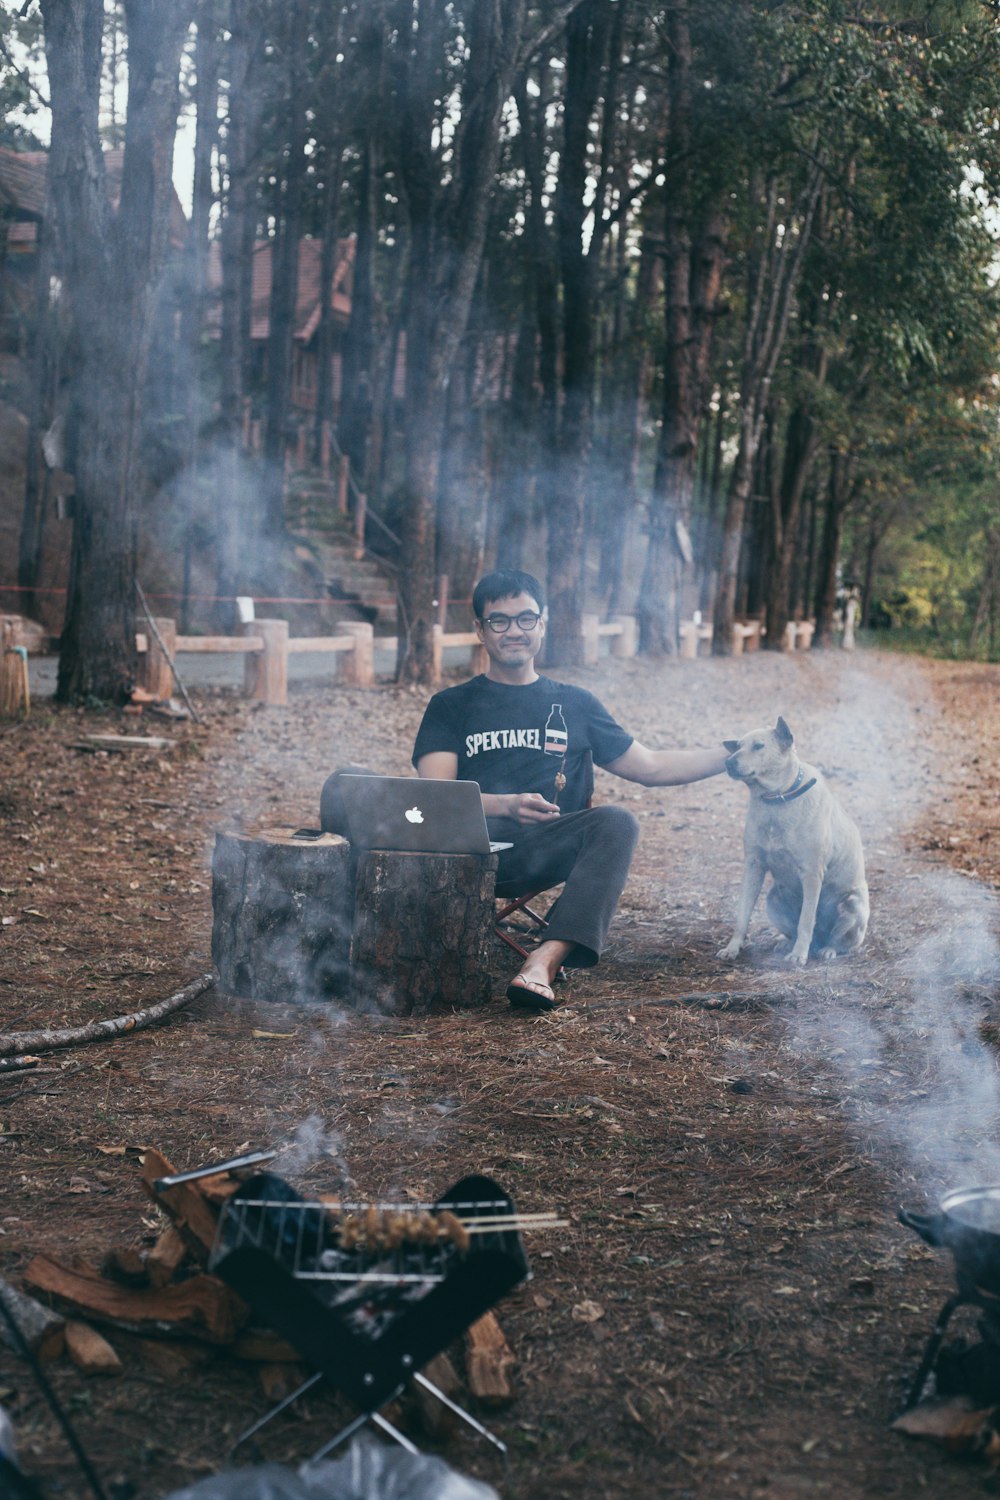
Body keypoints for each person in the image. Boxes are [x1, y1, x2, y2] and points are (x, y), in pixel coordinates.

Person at [412, 569, 729, 1012]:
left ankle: (543, 959)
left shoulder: (575, 704)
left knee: (617, 822)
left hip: (546, 848)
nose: (514, 631)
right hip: (468, 850)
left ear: (543, 623)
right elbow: (435, 796)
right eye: (499, 621)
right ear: (480, 631)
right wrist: (505, 804)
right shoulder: (450, 706)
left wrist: (731, 755)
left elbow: (651, 766)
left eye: (525, 618)